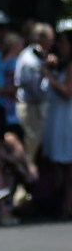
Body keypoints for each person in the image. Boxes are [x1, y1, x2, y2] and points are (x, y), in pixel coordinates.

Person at [40, 25, 72, 219]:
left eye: (63, 42)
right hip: (59, 117)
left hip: (67, 118)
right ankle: (63, 203)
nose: (59, 46)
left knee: (68, 164)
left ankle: (67, 204)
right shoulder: (63, 64)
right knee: (60, 163)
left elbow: (67, 92)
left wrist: (49, 76)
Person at [15, 21, 56, 166]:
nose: (53, 42)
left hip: (36, 105)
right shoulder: (30, 60)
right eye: (50, 39)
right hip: (30, 106)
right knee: (32, 142)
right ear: (40, 39)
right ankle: (26, 173)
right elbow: (35, 91)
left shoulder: (41, 55)